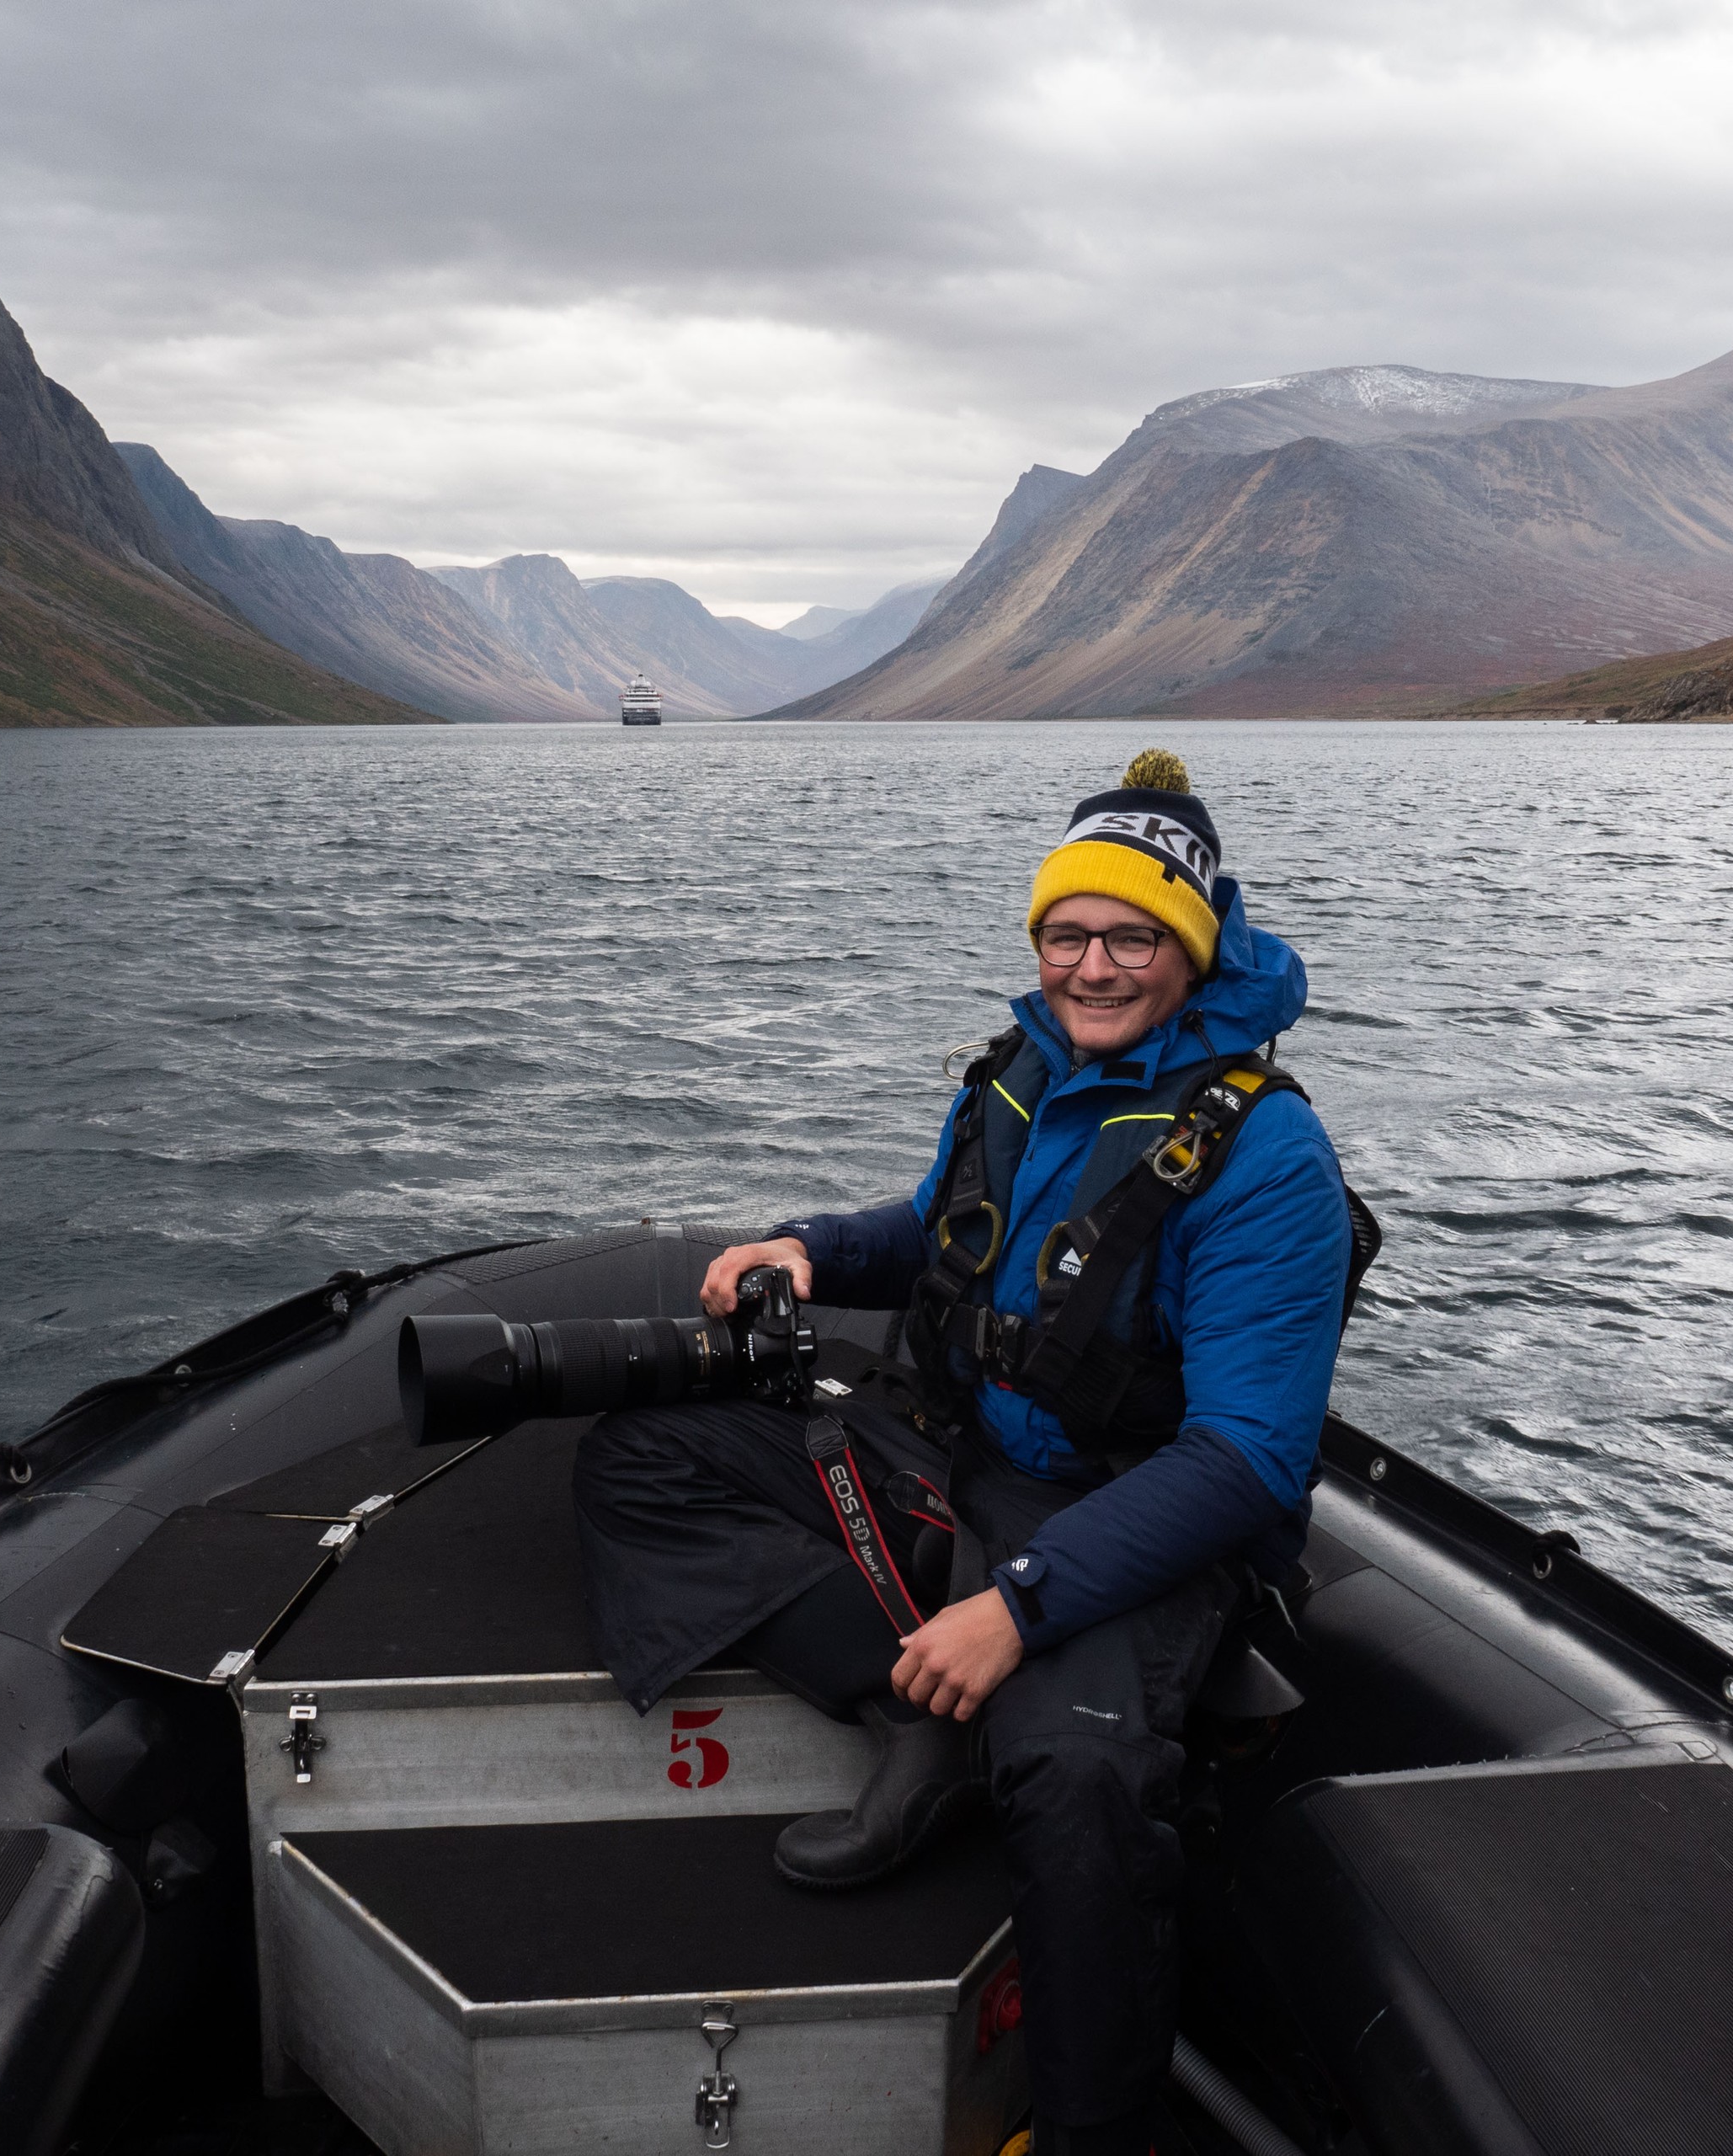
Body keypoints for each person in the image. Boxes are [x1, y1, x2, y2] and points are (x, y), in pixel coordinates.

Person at [574, 750, 1353, 2156]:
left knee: (1080, 1782)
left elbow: (1243, 1463)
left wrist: (1020, 1608)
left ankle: (1092, 2127)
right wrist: (809, 1247)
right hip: (967, 1465)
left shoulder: (1267, 1159)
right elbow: (938, 1227)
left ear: (1192, 945)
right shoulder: (1020, 1078)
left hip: (1143, 1523)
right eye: (1068, 933)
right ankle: (913, 1718)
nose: (1094, 967)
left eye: (1131, 937)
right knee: (648, 1457)